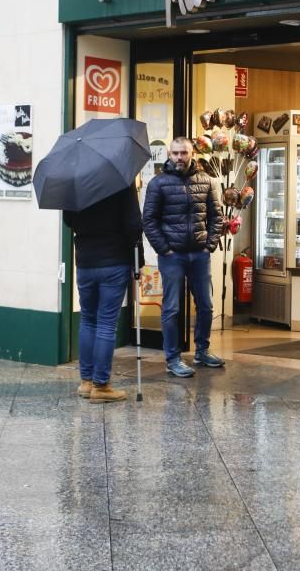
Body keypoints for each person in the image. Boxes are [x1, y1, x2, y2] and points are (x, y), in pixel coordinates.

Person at [142, 136, 225, 378]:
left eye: (184, 153)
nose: (179, 157)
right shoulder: (158, 183)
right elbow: (149, 220)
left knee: (206, 306)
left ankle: (202, 350)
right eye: (175, 153)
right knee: (172, 308)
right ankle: (172, 358)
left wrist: (209, 246)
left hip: (199, 254)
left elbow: (216, 216)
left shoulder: (206, 181)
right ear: (169, 154)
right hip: (173, 256)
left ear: (192, 154)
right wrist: (164, 249)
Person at [64, 186, 142, 403]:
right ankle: (101, 385)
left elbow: (69, 220)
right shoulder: (121, 181)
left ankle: (86, 382)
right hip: (113, 260)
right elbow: (134, 224)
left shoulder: (75, 182)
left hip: (85, 261)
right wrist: (138, 260)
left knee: (88, 320)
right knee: (107, 323)